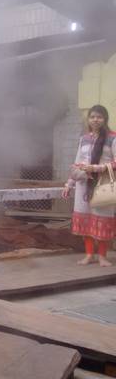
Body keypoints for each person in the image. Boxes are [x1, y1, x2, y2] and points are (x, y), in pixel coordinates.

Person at [62, 104, 114, 266]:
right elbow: (77, 163)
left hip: (102, 185)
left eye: (99, 117)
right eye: (92, 117)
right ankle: (89, 254)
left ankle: (102, 257)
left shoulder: (112, 138)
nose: (95, 120)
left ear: (105, 119)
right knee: (86, 221)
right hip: (83, 185)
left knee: (102, 219)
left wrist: (97, 168)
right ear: (88, 119)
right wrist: (69, 184)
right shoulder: (84, 139)